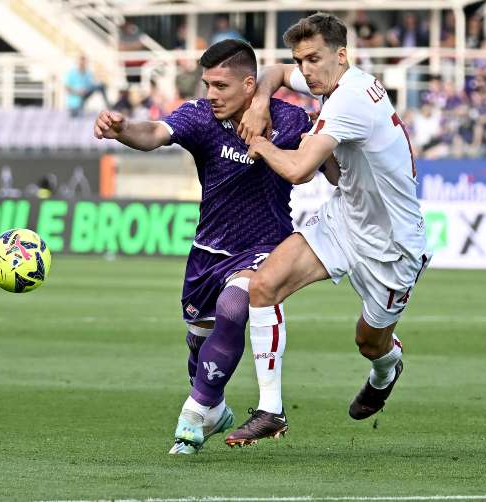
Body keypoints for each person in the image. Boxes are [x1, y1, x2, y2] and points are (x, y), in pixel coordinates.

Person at [93, 39, 317, 453]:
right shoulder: (199, 117)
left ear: (249, 85)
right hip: (207, 252)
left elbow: (328, 146)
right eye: (207, 84)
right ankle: (212, 406)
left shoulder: (289, 120)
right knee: (199, 349)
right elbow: (154, 134)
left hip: (265, 246)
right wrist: (122, 129)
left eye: (221, 86)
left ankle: (193, 415)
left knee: (236, 307)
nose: (211, 94)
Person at [234, 13, 431, 430]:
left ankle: (387, 368)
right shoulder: (333, 77)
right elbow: (273, 73)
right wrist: (259, 101)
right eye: (300, 60)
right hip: (345, 219)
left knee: (369, 341)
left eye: (313, 60)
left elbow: (300, 170)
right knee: (264, 285)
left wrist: (255, 138)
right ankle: (271, 410)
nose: (305, 70)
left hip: (393, 245)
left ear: (341, 56)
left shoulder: (350, 100)